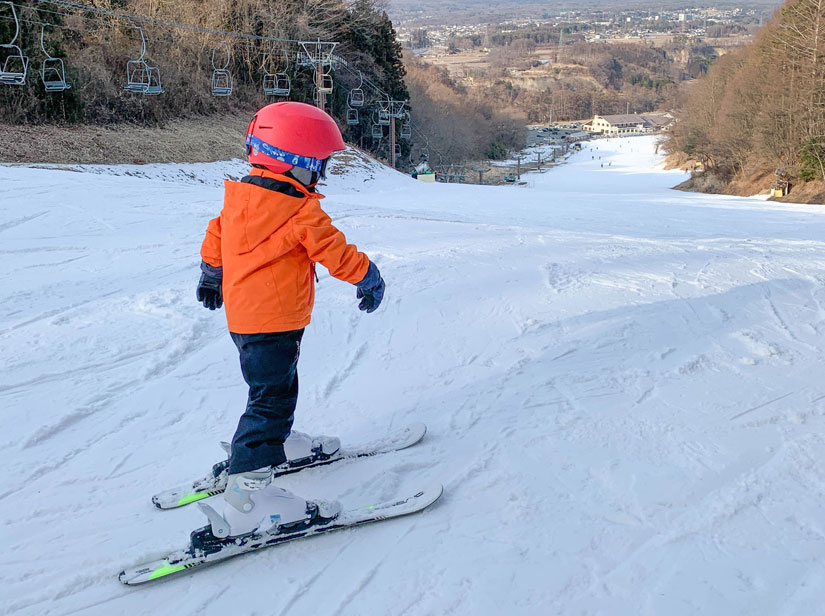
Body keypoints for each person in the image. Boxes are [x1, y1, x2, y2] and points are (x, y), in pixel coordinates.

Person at [196, 101, 385, 538]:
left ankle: (278, 444)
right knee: (271, 400)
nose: (320, 175)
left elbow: (216, 234)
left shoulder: (241, 198)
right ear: (296, 162)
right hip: (277, 320)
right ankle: (249, 497)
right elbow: (333, 250)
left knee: (272, 386)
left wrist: (211, 273)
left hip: (244, 319)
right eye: (320, 165)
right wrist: (367, 275)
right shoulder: (300, 211)